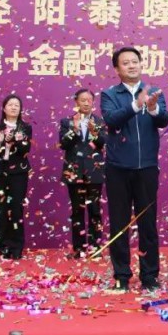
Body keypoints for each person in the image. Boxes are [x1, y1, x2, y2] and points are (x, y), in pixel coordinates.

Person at [100, 47, 168, 292]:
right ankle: (121, 276)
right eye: (125, 63)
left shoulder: (154, 91)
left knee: (148, 224)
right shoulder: (109, 94)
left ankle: (150, 276)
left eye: (135, 62)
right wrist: (136, 105)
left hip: (147, 167)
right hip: (118, 169)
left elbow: (164, 120)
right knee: (119, 225)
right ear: (117, 69)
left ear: (141, 64)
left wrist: (152, 108)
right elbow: (111, 119)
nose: (131, 66)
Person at [59, 89, 107, 258]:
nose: (86, 103)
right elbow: (63, 144)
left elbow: (103, 142)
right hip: (74, 172)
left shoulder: (99, 121)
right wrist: (74, 129)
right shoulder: (67, 122)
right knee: (77, 211)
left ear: (93, 102)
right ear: (76, 102)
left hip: (94, 171)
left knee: (95, 210)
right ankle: (78, 248)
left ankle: (95, 247)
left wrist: (94, 133)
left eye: (89, 100)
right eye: (82, 100)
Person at [0, 94, 32, 259]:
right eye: (10, 104)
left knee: (16, 209)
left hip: (18, 173)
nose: (13, 107)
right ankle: (3, 247)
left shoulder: (25, 128)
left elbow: (26, 150)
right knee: (2, 210)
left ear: (20, 109)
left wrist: (15, 141)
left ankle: (17, 247)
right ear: (4, 108)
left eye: (17, 105)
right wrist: (0, 141)